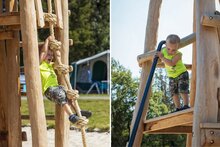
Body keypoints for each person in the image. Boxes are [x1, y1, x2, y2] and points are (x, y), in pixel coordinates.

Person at [39, 36, 91, 126]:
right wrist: (47, 40)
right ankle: (71, 116)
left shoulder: (51, 65)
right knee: (62, 96)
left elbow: (58, 58)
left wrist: (56, 49)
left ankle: (78, 112)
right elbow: (43, 51)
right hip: (49, 90)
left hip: (57, 88)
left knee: (70, 97)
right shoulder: (40, 64)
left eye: (51, 55)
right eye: (48, 55)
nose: (50, 57)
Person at [156, 34, 190, 112]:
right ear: (166, 45)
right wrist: (159, 56)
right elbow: (159, 57)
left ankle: (186, 105)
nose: (170, 51)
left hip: (182, 73)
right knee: (173, 92)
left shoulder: (178, 55)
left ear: (178, 48)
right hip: (171, 76)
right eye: (168, 49)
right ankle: (177, 108)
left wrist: (162, 57)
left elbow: (171, 63)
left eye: (173, 50)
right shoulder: (163, 51)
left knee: (183, 89)